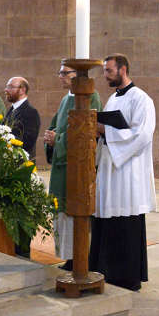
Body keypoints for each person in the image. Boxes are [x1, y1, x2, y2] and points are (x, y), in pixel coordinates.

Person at [91, 54, 155, 291]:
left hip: (128, 173)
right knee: (107, 220)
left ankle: (126, 276)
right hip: (110, 169)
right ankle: (106, 270)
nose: (105, 75)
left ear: (123, 69)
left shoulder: (142, 99)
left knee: (125, 221)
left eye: (108, 70)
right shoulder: (111, 99)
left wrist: (106, 131)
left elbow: (143, 135)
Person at [44, 64, 102, 269]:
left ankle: (79, 257)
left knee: (75, 210)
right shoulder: (64, 99)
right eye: (59, 72)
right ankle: (69, 256)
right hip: (62, 167)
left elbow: (85, 130)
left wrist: (57, 139)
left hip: (77, 167)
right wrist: (50, 136)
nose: (60, 76)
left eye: (64, 73)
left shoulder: (89, 96)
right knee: (62, 212)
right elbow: (55, 125)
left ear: (77, 75)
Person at [4, 77, 41, 161]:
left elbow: (28, 143)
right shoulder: (12, 109)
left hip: (21, 164)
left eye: (10, 87)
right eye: (6, 87)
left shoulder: (31, 112)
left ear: (22, 90)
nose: (6, 90)